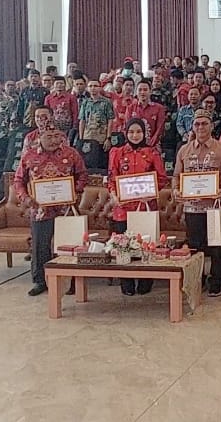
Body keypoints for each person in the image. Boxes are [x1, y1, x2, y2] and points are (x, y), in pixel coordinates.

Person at [13, 127, 88, 296]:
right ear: (40, 137)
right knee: (40, 246)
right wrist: (26, 198)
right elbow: (18, 181)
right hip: (40, 209)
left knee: (69, 246)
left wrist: (76, 191)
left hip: (66, 208)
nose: (54, 140)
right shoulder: (29, 155)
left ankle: (71, 281)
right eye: (49, 137)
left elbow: (83, 175)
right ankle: (41, 281)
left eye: (57, 136)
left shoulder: (71, 154)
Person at [173, 109, 221, 297]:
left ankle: (216, 281)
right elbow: (176, 176)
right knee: (195, 245)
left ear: (211, 126)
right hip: (192, 207)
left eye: (204, 123)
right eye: (197, 124)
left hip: (215, 206)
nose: (200, 127)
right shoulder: (184, 150)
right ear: (192, 127)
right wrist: (176, 190)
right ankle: (197, 278)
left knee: (217, 246)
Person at [106, 118, 169, 296]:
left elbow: (162, 178)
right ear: (126, 133)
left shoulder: (152, 153)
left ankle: (145, 280)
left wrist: (151, 192)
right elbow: (111, 178)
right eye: (131, 132)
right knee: (123, 245)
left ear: (144, 133)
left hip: (145, 206)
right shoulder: (117, 152)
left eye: (139, 132)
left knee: (146, 245)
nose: (135, 135)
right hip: (123, 209)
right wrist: (114, 195)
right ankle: (126, 282)